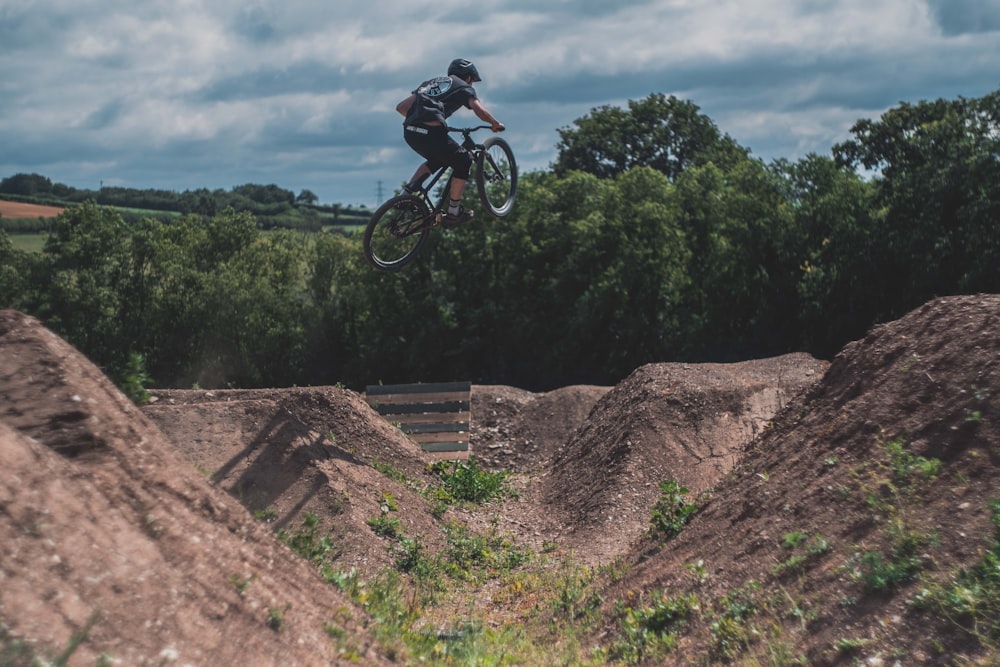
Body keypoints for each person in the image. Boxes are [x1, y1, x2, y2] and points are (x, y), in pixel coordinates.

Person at [396, 58, 505, 226]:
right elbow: (478, 109)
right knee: (464, 160)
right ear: (468, 77)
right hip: (431, 134)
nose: (472, 85)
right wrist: (494, 123)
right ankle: (454, 212)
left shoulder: (430, 84)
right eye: (472, 81)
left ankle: (406, 195)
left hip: (410, 132)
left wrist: (421, 121)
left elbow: (401, 107)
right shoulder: (463, 86)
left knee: (438, 159)